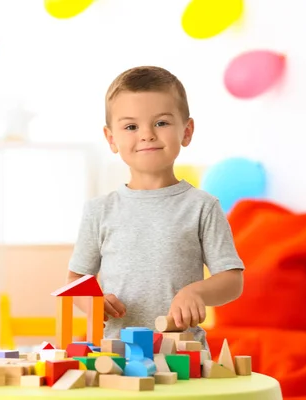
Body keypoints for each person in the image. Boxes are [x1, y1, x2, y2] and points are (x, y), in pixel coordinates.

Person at [67, 66, 244, 348]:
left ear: (187, 131)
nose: (147, 134)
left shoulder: (203, 207)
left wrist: (196, 292)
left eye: (161, 123)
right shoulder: (99, 211)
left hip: (185, 354)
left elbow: (232, 280)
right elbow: (76, 280)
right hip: (117, 357)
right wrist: (93, 303)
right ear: (111, 139)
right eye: (131, 127)